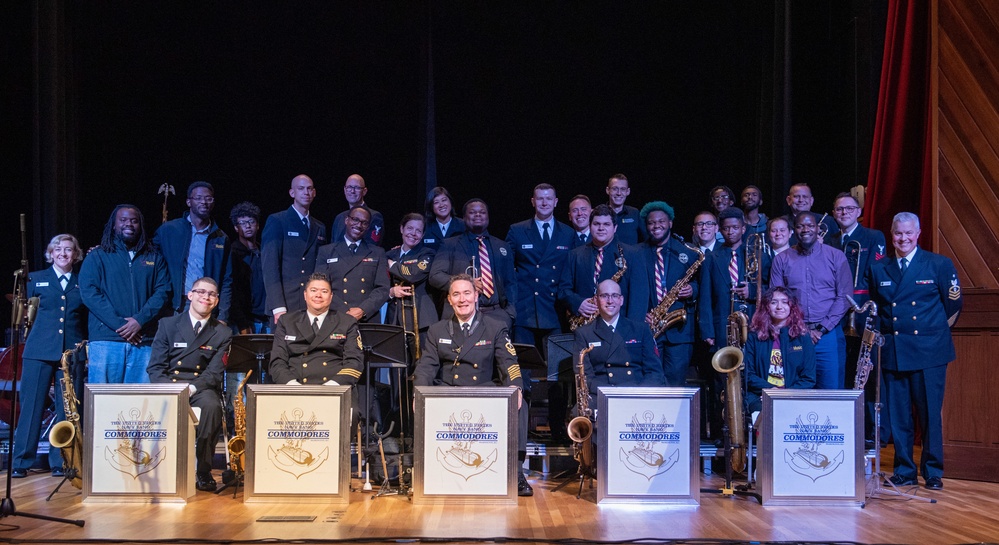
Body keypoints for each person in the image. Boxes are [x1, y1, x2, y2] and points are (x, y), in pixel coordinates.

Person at [412, 274, 531, 495]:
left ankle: (516, 472)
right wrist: (417, 394)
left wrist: (516, 387)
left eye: (467, 293)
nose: (462, 299)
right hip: (449, 391)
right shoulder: (437, 330)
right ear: (449, 299)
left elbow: (509, 362)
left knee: (519, 403)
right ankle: (427, 471)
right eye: (456, 294)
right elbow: (426, 367)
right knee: (422, 400)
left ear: (476, 296)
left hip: (484, 391)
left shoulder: (495, 327)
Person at [868, 212, 962, 491]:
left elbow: (953, 306)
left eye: (909, 233)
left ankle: (932, 471)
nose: (903, 238)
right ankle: (904, 470)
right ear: (892, 233)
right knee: (899, 416)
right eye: (898, 233)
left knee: (930, 414)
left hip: (930, 352)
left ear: (918, 233)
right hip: (895, 351)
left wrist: (932, 335)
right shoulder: (879, 268)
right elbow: (879, 310)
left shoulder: (938, 264)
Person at [10, 234, 87, 478]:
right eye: (58, 249)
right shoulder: (35, 279)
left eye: (68, 249)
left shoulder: (82, 281)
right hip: (39, 351)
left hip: (70, 354)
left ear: (76, 254)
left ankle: (62, 461)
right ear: (50, 254)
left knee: (67, 410)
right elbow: (23, 312)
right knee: (31, 407)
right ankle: (21, 461)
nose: (63, 253)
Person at [147, 277, 232, 492]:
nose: (206, 296)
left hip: (200, 387)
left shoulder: (222, 332)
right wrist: (172, 389)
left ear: (217, 300)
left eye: (211, 294)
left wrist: (191, 388)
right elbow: (155, 368)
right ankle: (159, 467)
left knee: (212, 406)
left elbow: (214, 373)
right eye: (201, 292)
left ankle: (203, 470)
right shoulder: (168, 324)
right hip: (169, 385)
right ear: (190, 295)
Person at [80, 204, 171, 384]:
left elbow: (163, 292)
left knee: (140, 405)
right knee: (103, 403)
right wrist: (121, 325)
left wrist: (139, 321)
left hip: (143, 341)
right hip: (106, 341)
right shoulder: (97, 256)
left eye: (134, 221)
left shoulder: (154, 257)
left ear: (140, 225)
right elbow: (89, 293)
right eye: (123, 220)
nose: (129, 224)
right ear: (113, 225)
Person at [828, 192, 888, 443]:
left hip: (864, 311)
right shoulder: (829, 240)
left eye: (849, 209)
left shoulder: (873, 237)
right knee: (844, 371)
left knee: (868, 370)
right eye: (839, 209)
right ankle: (848, 426)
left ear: (859, 211)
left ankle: (875, 432)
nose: (844, 213)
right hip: (836, 314)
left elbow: (877, 272)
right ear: (833, 214)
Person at [770, 212, 852, 389]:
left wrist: (821, 329)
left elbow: (844, 297)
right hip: (793, 335)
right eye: (800, 226)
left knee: (832, 392)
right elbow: (777, 300)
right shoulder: (781, 259)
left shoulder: (836, 257)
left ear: (817, 229)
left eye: (810, 225)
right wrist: (802, 328)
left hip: (828, 335)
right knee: (792, 391)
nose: (805, 229)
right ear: (794, 230)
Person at [505, 183, 574, 349]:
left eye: (549, 199)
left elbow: (571, 271)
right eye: (540, 199)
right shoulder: (517, 230)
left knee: (556, 369)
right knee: (524, 367)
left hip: (554, 307)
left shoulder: (568, 233)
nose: (544, 203)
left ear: (556, 202)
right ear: (532, 201)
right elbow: (506, 269)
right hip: (524, 307)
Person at [153, 181, 233, 324]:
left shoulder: (220, 238)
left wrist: (223, 316)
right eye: (198, 198)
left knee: (203, 347)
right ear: (189, 202)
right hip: (174, 306)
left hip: (206, 306)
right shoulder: (169, 230)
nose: (204, 202)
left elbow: (227, 279)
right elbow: (149, 258)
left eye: (209, 198)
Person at [428, 198, 517, 328]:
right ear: (464, 217)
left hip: (497, 315)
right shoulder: (449, 244)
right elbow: (435, 276)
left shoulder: (502, 246)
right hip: (460, 315)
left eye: (482, 212)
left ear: (488, 217)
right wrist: (466, 284)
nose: (477, 215)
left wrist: (509, 314)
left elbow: (511, 283)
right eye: (472, 212)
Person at [639, 201, 701, 386]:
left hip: (679, 331)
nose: (656, 225)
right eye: (651, 222)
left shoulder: (687, 251)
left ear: (670, 223)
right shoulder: (637, 253)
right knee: (652, 381)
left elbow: (699, 282)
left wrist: (692, 290)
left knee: (676, 382)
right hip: (650, 327)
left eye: (661, 221)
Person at [573, 279, 664, 403]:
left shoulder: (641, 330)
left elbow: (654, 372)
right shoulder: (584, 333)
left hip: (636, 395)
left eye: (614, 296)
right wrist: (610, 393)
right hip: (601, 396)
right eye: (604, 296)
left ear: (621, 300)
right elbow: (584, 377)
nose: (610, 301)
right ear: (596, 300)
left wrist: (640, 394)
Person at [558, 204, 649, 326]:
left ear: (615, 228)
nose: (601, 228)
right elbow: (563, 290)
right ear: (590, 226)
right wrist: (578, 303)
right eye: (596, 224)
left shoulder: (632, 254)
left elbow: (639, 298)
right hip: (585, 327)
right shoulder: (574, 255)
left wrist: (632, 330)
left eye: (606, 224)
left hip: (620, 328)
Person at [269, 272, 364, 388]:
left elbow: (354, 362)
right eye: (313, 290)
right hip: (295, 389)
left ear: (331, 296)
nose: (318, 295)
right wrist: (292, 386)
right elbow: (277, 361)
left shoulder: (346, 322)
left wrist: (332, 387)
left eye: (324, 291)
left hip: (335, 390)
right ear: (305, 295)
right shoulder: (287, 321)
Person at [697, 207, 771, 351]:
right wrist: (707, 331)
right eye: (726, 228)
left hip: (753, 323)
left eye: (735, 228)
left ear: (743, 229)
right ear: (720, 230)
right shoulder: (711, 258)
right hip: (723, 327)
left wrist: (753, 291)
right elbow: (705, 297)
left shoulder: (759, 255)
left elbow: (772, 289)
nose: (730, 232)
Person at [261, 174, 327, 324]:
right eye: (301, 188)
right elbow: (270, 266)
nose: (306, 192)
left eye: (309, 189)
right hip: (285, 302)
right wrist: (278, 306)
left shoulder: (319, 226)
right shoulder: (278, 220)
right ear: (292, 193)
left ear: (314, 193)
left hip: (310, 302)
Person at [744, 287, 816, 413]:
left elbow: (808, 378)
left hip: (794, 396)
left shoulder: (803, 337)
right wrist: (770, 391)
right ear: (766, 306)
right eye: (773, 302)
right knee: (764, 412)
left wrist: (785, 394)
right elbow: (749, 375)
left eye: (784, 302)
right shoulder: (754, 337)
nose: (779, 307)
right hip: (760, 395)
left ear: (791, 306)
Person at [315, 206, 390, 323]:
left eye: (364, 223)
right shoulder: (326, 251)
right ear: (346, 220)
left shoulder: (377, 252)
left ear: (368, 227)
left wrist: (362, 310)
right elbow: (321, 287)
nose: (359, 225)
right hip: (335, 316)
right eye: (355, 219)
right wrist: (345, 311)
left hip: (367, 318)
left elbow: (383, 289)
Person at [386, 213, 438, 357]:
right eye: (410, 228)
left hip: (421, 320)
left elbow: (413, 275)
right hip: (395, 320)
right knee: (397, 368)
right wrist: (391, 291)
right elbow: (378, 285)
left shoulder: (427, 253)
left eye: (418, 231)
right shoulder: (389, 254)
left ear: (422, 235)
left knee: (421, 366)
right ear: (402, 229)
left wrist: (393, 266)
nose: (413, 234)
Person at [229, 201, 269, 334]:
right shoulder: (233, 253)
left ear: (257, 225)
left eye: (251, 221)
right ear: (236, 227)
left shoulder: (265, 251)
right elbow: (232, 290)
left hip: (267, 317)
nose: (247, 226)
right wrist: (242, 321)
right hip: (245, 319)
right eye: (242, 223)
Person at [331, 174, 385, 246]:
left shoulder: (374, 216)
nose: (352, 191)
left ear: (364, 191)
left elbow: (371, 247)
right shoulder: (339, 217)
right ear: (345, 190)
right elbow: (332, 247)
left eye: (357, 188)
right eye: (349, 187)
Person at [605, 174, 645, 244]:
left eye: (623, 189)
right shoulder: (599, 213)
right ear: (608, 190)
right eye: (615, 189)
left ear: (628, 191)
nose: (619, 193)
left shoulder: (634, 213)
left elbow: (647, 240)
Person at [422, 186, 465, 251]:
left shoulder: (463, 225)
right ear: (431, 207)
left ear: (450, 201)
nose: (441, 205)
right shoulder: (425, 227)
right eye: (436, 202)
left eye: (444, 200)